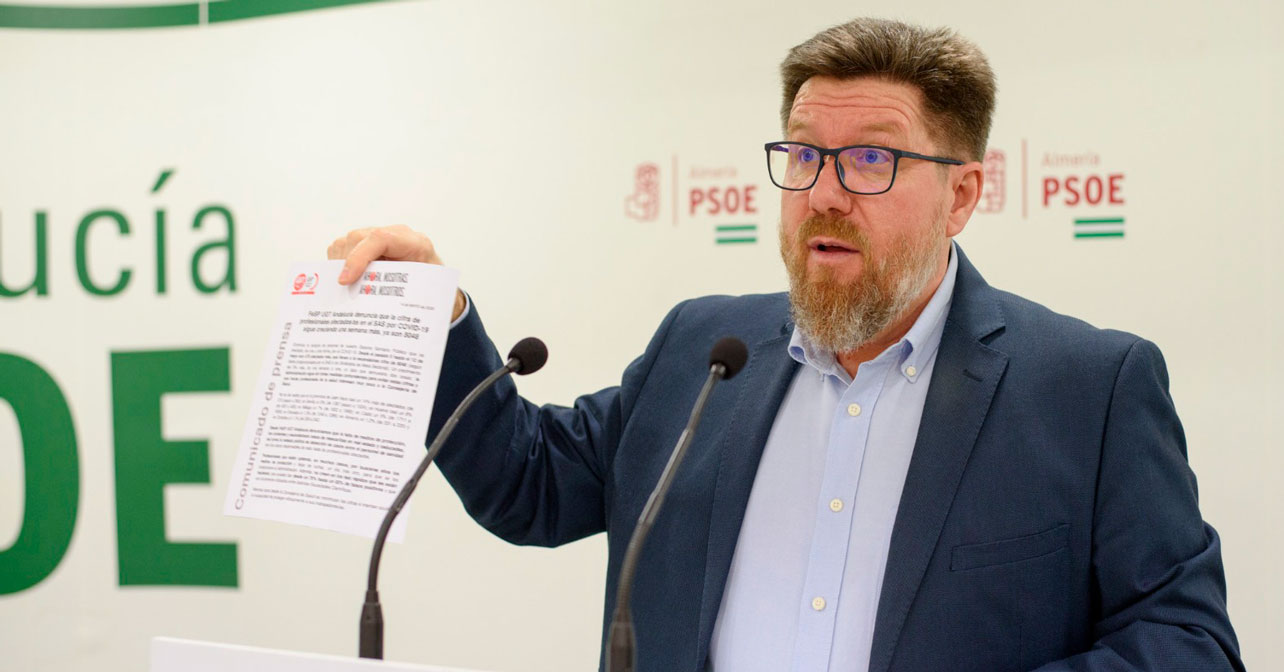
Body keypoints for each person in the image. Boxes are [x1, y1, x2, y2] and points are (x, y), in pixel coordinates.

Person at [328, 18, 1242, 672]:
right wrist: (438, 315)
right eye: (804, 154)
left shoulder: (1088, 388)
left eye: (872, 159)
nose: (825, 194)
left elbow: (1187, 642)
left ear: (961, 195)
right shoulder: (703, 352)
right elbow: (527, 484)